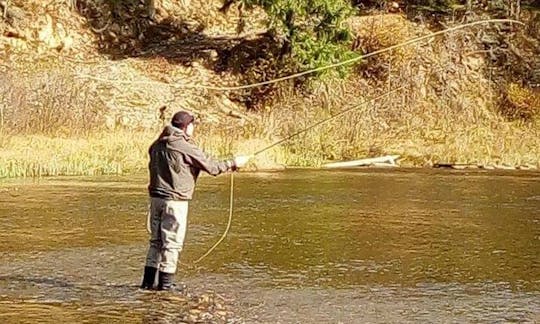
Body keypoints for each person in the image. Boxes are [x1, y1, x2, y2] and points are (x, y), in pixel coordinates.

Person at [140, 110, 250, 291]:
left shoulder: (156, 144)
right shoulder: (183, 145)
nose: (194, 128)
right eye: (192, 125)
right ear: (187, 126)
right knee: (172, 244)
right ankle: (165, 287)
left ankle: (147, 284)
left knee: (156, 242)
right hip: (175, 202)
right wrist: (234, 162)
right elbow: (213, 167)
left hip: (155, 200)